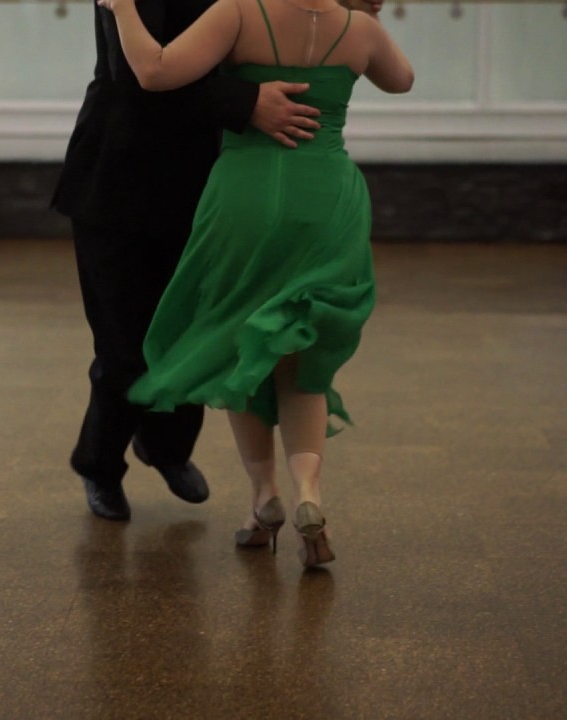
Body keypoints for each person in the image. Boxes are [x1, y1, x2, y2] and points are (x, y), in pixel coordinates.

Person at [101, 0, 414, 566]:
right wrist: (360, 19)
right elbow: (402, 80)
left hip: (245, 196)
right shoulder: (359, 30)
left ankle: (264, 496)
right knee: (304, 361)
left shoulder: (238, 14)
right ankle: (309, 496)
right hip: (326, 198)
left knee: (238, 339)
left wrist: (123, 8)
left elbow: (153, 71)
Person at [52, 0, 331, 522]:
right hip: (116, 181)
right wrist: (246, 101)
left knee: (192, 333)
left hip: (200, 184)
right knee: (125, 346)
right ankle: (101, 466)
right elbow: (138, 74)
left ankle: (166, 448)